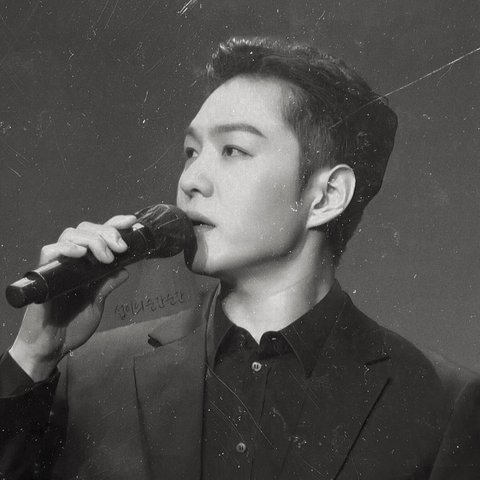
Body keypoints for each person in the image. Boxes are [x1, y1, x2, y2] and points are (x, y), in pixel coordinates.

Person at [0, 36, 479, 480]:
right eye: (191, 152)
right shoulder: (90, 373)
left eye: (233, 150)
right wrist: (33, 354)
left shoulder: (443, 401)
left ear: (328, 195)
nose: (191, 181)